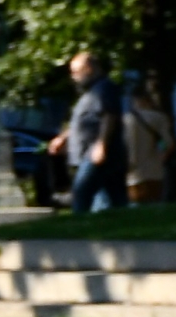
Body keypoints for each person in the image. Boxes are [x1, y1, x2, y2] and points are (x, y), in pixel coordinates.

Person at [48, 53, 128, 212]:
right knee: (111, 197)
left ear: (89, 68)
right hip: (88, 153)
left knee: (81, 192)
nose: (73, 77)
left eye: (76, 72)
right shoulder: (89, 93)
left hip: (94, 153)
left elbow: (109, 116)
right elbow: (83, 121)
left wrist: (101, 144)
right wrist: (62, 138)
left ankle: (79, 227)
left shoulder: (104, 88)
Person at [126, 79, 176, 204]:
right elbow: (167, 143)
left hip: (130, 172)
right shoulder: (159, 118)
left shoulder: (125, 119)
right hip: (153, 171)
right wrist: (161, 155)